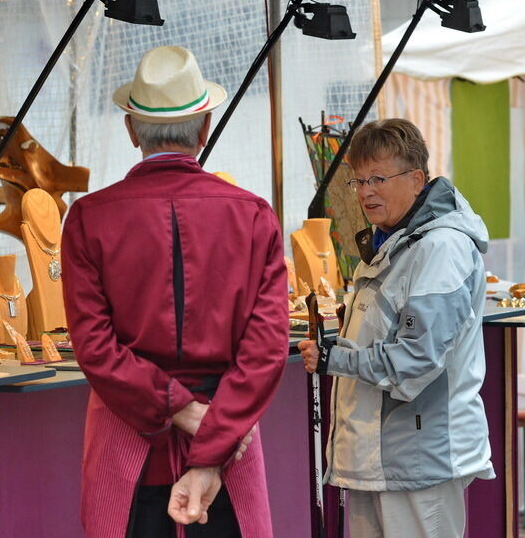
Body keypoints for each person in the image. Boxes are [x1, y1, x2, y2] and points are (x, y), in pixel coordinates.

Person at [61, 45, 288, 538]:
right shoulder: (252, 215)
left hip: (129, 425)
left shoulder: (89, 218)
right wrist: (212, 430)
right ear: (204, 129)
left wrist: (181, 411)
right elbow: (266, 349)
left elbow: (95, 348)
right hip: (229, 423)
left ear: (130, 129)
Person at [297, 118, 495, 538]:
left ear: (417, 179)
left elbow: (415, 359)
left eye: (379, 178)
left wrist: (337, 359)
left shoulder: (440, 248)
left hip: (422, 458)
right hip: (381, 459)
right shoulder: (392, 241)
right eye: (359, 180)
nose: (366, 191)